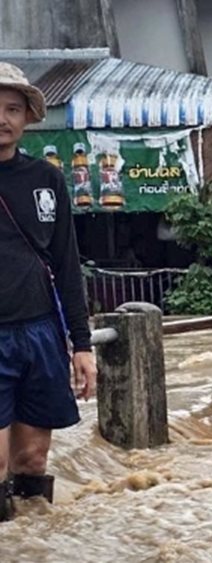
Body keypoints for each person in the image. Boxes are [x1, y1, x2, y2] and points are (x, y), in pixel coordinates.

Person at [0, 62, 97, 519]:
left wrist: (81, 344)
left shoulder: (47, 179)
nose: (2, 118)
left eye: (12, 108)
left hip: (40, 333)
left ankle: (35, 544)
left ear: (26, 118)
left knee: (32, 460)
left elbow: (66, 262)